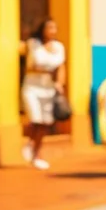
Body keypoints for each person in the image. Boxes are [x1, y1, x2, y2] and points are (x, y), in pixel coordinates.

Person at [20, 18, 66, 170]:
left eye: (54, 28)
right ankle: (30, 144)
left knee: (45, 122)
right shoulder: (33, 44)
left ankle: (36, 153)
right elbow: (29, 66)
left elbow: (61, 67)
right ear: (43, 29)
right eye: (49, 27)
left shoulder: (59, 47)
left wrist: (60, 83)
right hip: (32, 87)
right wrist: (46, 70)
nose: (52, 31)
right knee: (35, 118)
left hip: (48, 89)